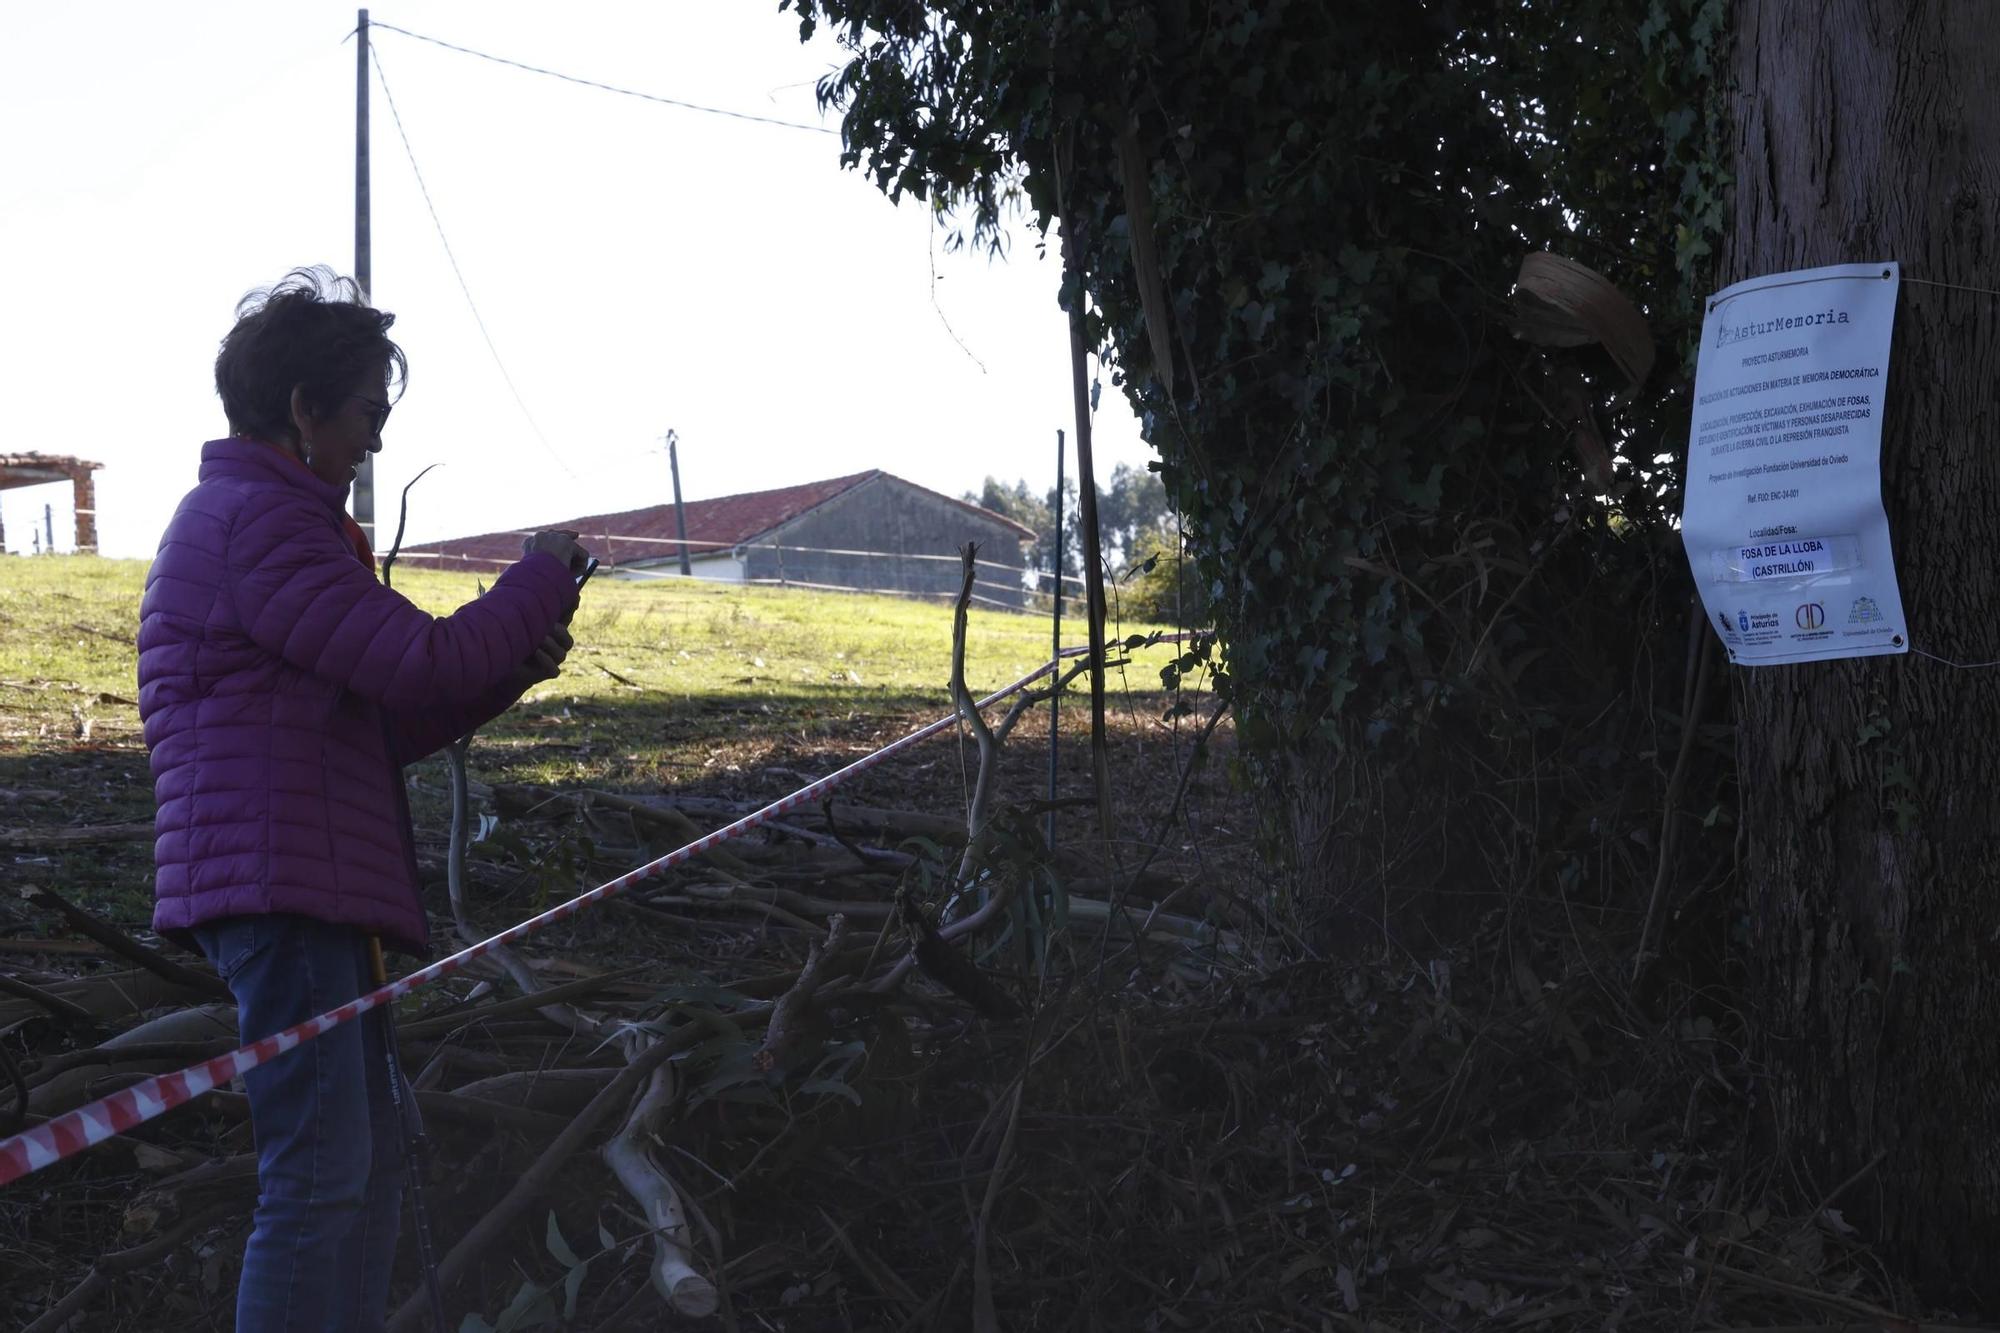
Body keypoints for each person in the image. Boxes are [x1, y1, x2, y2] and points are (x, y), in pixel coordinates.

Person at [137, 266, 591, 1332]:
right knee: (318, 1177)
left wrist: (511, 667)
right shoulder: (263, 524)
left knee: (368, 1165)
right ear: (303, 409)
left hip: (309, 882)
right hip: (283, 888)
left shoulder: (266, 522)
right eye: (365, 415)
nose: (375, 440)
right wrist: (537, 574)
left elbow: (379, 722)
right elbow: (423, 660)